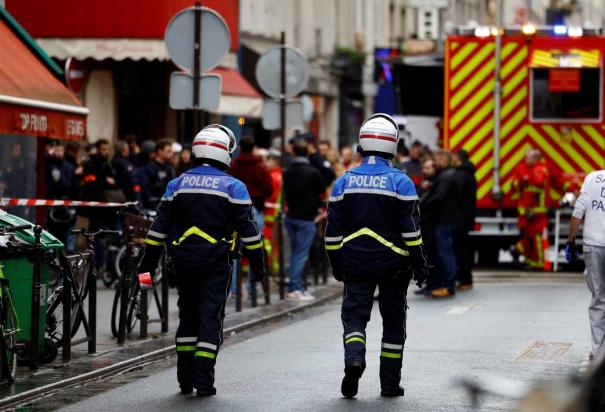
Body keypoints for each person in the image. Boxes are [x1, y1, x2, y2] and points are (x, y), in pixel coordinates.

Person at [138, 124, 266, 396]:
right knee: (210, 318)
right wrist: (258, 267)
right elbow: (249, 233)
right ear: (224, 152)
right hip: (216, 264)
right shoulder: (234, 186)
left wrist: (146, 266)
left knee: (188, 317)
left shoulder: (177, 184)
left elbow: (157, 230)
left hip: (182, 263)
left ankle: (184, 380)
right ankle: (204, 381)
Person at [325, 113, 428, 398]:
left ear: (362, 144)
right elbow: (412, 233)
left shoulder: (343, 183)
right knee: (393, 323)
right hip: (395, 266)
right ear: (392, 145)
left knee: (355, 318)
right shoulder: (402, 183)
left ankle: (354, 358)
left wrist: (337, 265)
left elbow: (331, 236)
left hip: (355, 263)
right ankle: (389, 384)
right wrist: (420, 265)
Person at [566, 169, 605, 366]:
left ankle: (598, 352)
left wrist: (571, 241)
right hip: (595, 244)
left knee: (599, 298)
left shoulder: (592, 178)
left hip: (594, 245)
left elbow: (578, 211)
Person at [230, 136, 273, 297]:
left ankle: (234, 289)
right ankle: (252, 287)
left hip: (233, 209)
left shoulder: (233, 165)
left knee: (234, 249)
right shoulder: (260, 167)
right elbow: (269, 188)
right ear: (253, 148)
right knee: (254, 246)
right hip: (255, 207)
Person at [283, 139, 324, 301]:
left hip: (291, 216)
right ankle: (294, 288)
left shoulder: (287, 172)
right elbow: (321, 193)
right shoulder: (313, 172)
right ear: (307, 153)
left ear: (293, 153)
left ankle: (297, 286)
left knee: (295, 253)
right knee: (301, 255)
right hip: (307, 218)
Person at [420, 150, 460, 298]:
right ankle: (446, 283)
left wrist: (420, 207)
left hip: (443, 220)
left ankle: (448, 285)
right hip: (444, 219)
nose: (434, 162)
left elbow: (438, 197)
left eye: (435, 160)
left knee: (445, 253)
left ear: (442, 160)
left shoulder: (445, 176)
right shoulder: (446, 175)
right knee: (445, 252)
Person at [511, 149, 550, 270]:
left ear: (535, 159)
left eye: (528, 158)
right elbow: (516, 184)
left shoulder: (539, 170)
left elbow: (537, 186)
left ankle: (537, 262)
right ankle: (525, 256)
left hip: (536, 211)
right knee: (528, 236)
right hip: (528, 211)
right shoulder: (524, 168)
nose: (526, 160)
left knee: (536, 237)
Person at [45, 142, 78, 246]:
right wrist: (49, 156)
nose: (59, 153)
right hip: (53, 200)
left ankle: (69, 252)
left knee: (69, 229)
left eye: (61, 150)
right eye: (57, 150)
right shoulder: (49, 164)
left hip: (67, 201)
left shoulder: (69, 166)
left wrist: (74, 203)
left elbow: (74, 185)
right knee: (53, 229)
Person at [453, 149, 477, 290]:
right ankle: (465, 279)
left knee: (461, 250)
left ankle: (465, 279)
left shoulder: (461, 175)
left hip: (459, 218)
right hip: (466, 218)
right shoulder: (469, 174)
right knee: (464, 249)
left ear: (458, 159)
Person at [137, 139, 175, 210]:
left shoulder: (170, 168)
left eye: (171, 151)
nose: (171, 154)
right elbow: (146, 191)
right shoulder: (148, 168)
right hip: (153, 208)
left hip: (168, 207)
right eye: (168, 151)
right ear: (160, 151)